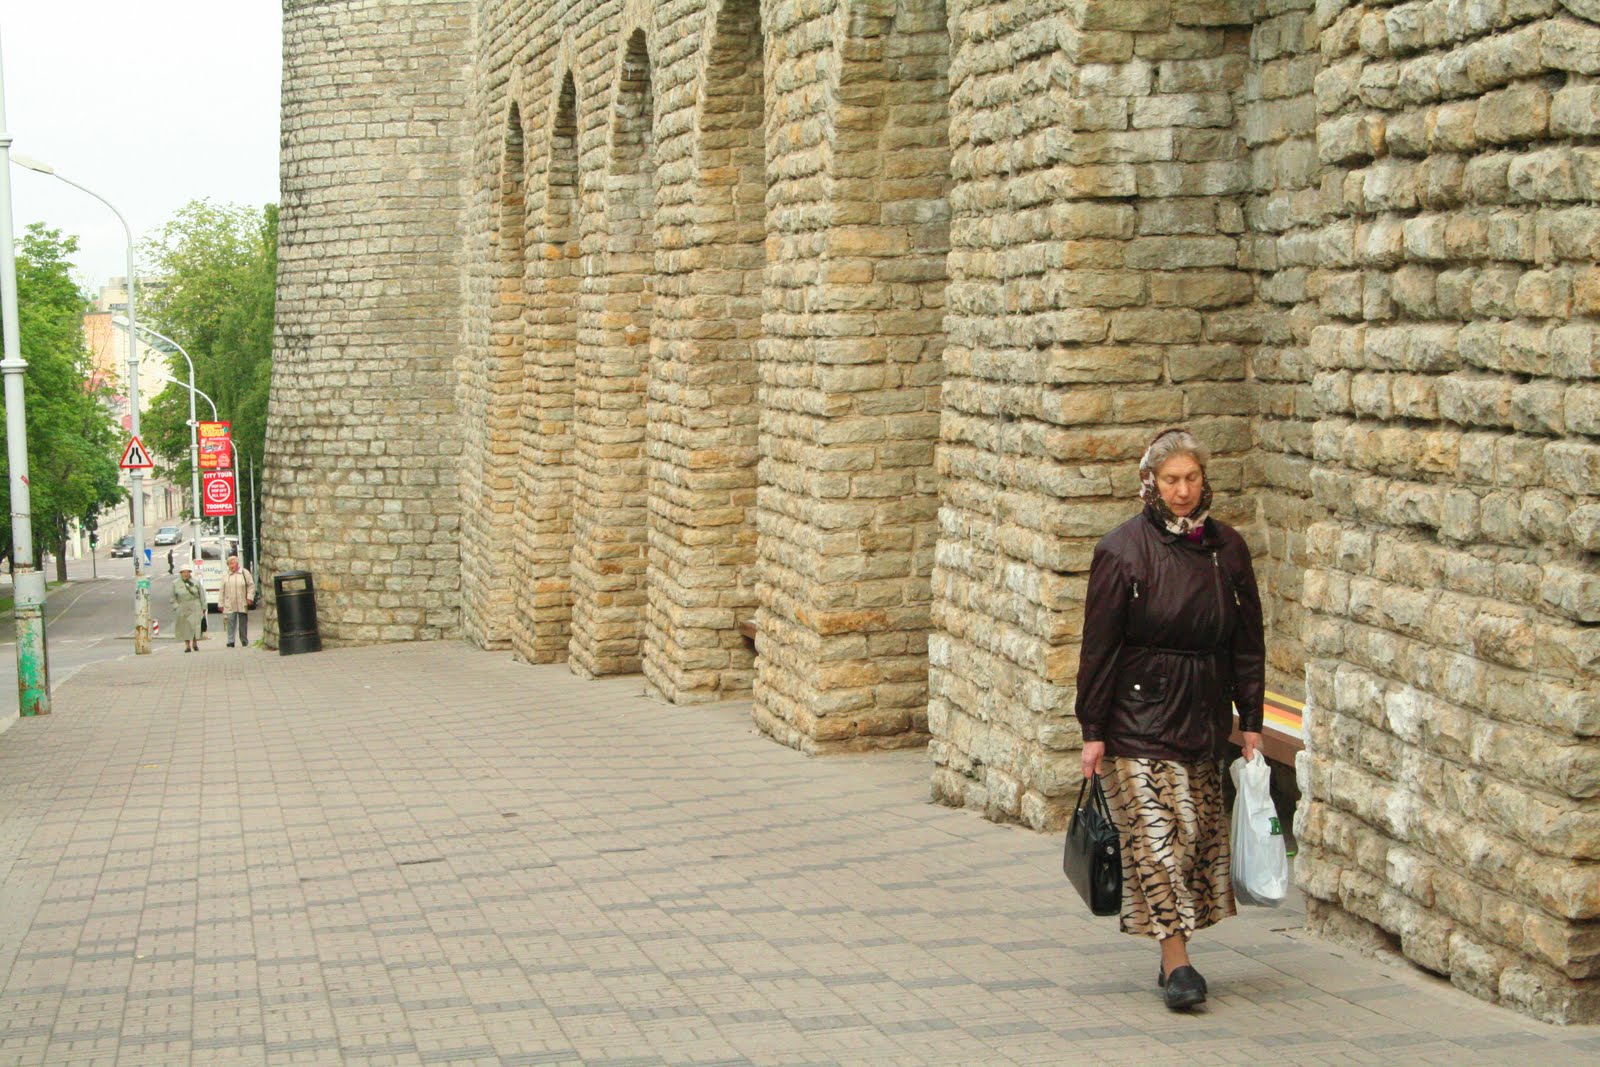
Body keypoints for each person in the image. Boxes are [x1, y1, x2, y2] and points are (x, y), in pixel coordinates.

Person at [1074, 427, 1265, 1011]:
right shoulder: (1122, 549)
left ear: (1204, 480)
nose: (1183, 491)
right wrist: (1092, 730)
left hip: (1202, 712)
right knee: (1158, 838)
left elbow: (1248, 642)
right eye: (1171, 480)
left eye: (1192, 479)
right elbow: (1099, 647)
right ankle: (1177, 963)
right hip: (1138, 715)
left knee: (1192, 841)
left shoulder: (1228, 548)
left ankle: (1172, 952)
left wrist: (1251, 719)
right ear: (1150, 483)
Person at [219, 555, 255, 648]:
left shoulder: (244, 573)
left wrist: (250, 597)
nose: (231, 565)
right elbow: (222, 590)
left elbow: (251, 586)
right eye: (229, 564)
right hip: (230, 603)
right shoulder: (225, 575)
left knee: (243, 623)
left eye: (233, 563)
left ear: (237, 563)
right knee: (230, 622)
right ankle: (230, 641)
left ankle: (244, 640)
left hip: (242, 602)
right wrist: (220, 604)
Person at [172, 563, 205, 653]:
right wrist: (176, 607)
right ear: (181, 573)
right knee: (185, 627)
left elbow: (201, 595)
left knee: (194, 626)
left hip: (195, 606)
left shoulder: (195, 582)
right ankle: (187, 646)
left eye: (187, 572)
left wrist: (203, 606)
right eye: (184, 572)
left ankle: (195, 643)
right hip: (183, 607)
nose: (186, 574)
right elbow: (172, 597)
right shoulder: (175, 583)